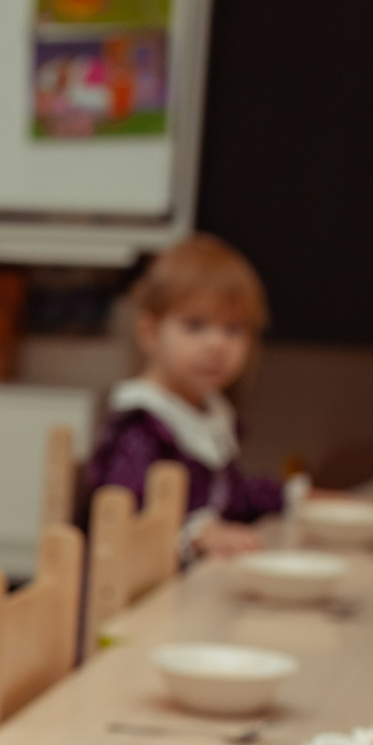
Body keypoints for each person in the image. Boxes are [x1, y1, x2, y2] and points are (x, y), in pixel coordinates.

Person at [82, 233, 286, 561]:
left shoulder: (208, 414)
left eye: (233, 329)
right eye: (195, 325)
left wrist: (292, 497)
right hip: (139, 597)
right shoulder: (140, 425)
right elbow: (125, 519)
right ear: (149, 332)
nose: (216, 345)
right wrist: (197, 536)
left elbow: (232, 495)